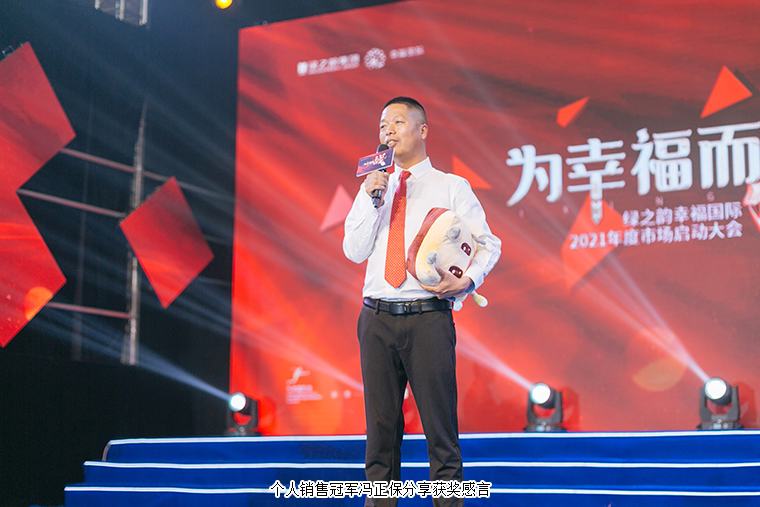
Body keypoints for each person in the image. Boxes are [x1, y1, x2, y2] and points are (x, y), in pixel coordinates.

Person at [343, 97, 501, 507]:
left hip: (427, 318)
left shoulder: (451, 186)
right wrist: (371, 199)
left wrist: (467, 281)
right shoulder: (373, 187)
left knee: (440, 431)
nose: (388, 131)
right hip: (376, 318)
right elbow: (354, 251)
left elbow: (488, 244)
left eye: (397, 122)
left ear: (422, 130)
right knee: (380, 434)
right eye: (383, 124)